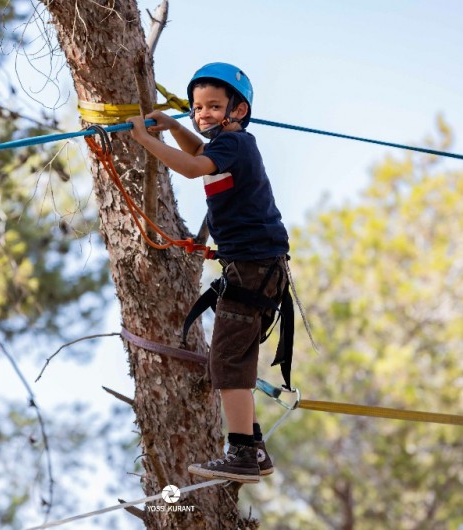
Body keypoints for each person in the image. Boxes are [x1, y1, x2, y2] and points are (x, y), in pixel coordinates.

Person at [126, 62, 290, 483]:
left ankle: (239, 453)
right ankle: (253, 451)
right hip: (258, 267)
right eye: (198, 107)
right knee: (234, 357)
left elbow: (193, 166)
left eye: (214, 106)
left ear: (238, 110)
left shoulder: (235, 145)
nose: (202, 114)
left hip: (252, 268)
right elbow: (200, 153)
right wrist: (170, 126)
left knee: (229, 361)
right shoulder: (231, 146)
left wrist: (146, 139)